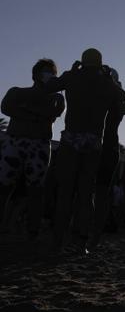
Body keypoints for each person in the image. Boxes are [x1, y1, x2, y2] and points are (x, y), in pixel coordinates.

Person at [43, 49, 125, 251]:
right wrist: (108, 77)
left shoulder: (73, 76)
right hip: (93, 140)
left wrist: (69, 73)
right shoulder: (107, 84)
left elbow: (50, 86)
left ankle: (57, 241)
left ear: (82, 62)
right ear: (100, 64)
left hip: (71, 137)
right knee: (85, 193)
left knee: (65, 193)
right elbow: (122, 95)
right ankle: (81, 242)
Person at [0, 59, 65, 238]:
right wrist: (39, 115)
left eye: (52, 73)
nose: (50, 76)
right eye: (46, 72)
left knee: (36, 189)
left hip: (40, 145)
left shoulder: (57, 98)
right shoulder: (16, 92)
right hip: (15, 142)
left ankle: (32, 231)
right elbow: (6, 107)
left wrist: (26, 111)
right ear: (35, 74)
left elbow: (54, 115)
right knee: (4, 186)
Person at [89, 67, 125, 247]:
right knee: (85, 191)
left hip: (107, 147)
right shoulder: (94, 93)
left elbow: (123, 107)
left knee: (100, 192)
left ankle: (95, 235)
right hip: (95, 145)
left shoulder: (118, 97)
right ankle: (83, 231)